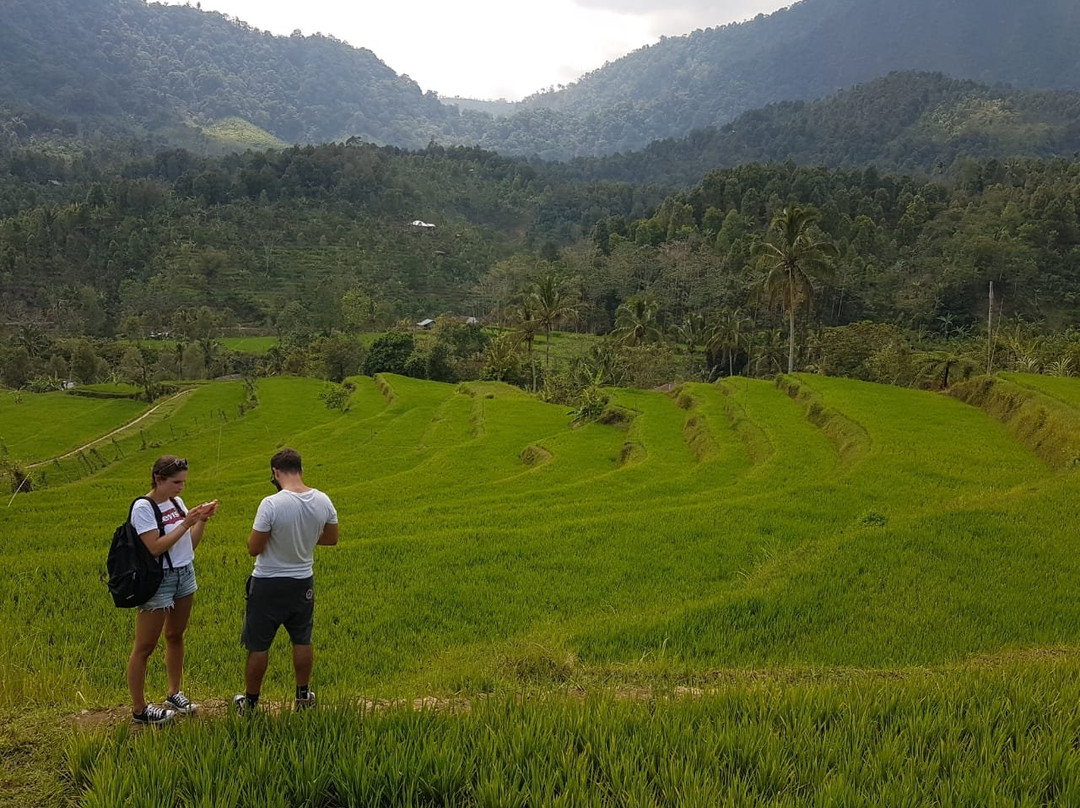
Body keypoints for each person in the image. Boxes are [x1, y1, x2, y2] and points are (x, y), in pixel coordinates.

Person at [235, 448, 338, 713]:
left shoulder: (271, 504)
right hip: (302, 581)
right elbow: (331, 538)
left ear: (275, 473)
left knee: (259, 644)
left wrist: (281, 536)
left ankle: (251, 702)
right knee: (302, 639)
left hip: (268, 582)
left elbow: (253, 548)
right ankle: (303, 697)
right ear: (301, 470)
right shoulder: (323, 500)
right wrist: (301, 537)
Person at [127, 455, 218, 725]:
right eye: (177, 482)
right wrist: (186, 523)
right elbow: (154, 547)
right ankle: (140, 709)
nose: (181, 488)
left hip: (184, 574)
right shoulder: (143, 507)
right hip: (159, 579)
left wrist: (201, 520)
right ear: (159, 479)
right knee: (144, 646)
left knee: (176, 635)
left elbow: (189, 545)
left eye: (184, 482)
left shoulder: (176, 503)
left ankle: (174, 692)